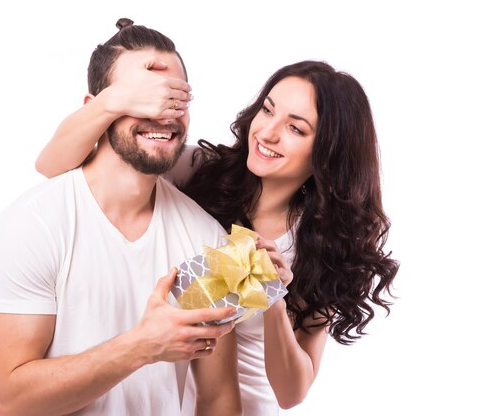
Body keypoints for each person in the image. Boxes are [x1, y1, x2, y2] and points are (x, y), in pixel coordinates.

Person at [35, 53, 400, 415]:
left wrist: (274, 299)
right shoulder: (196, 172)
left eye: (296, 128)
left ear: (327, 152)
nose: (268, 133)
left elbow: (291, 393)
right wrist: (112, 100)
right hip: (157, 397)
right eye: (268, 110)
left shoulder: (327, 246)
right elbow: (53, 168)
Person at [0, 18, 244, 416]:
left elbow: (219, 398)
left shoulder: (207, 238)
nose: (164, 114)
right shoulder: (35, 224)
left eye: (176, 100)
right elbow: (12, 401)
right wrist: (141, 346)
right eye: (143, 98)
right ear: (98, 110)